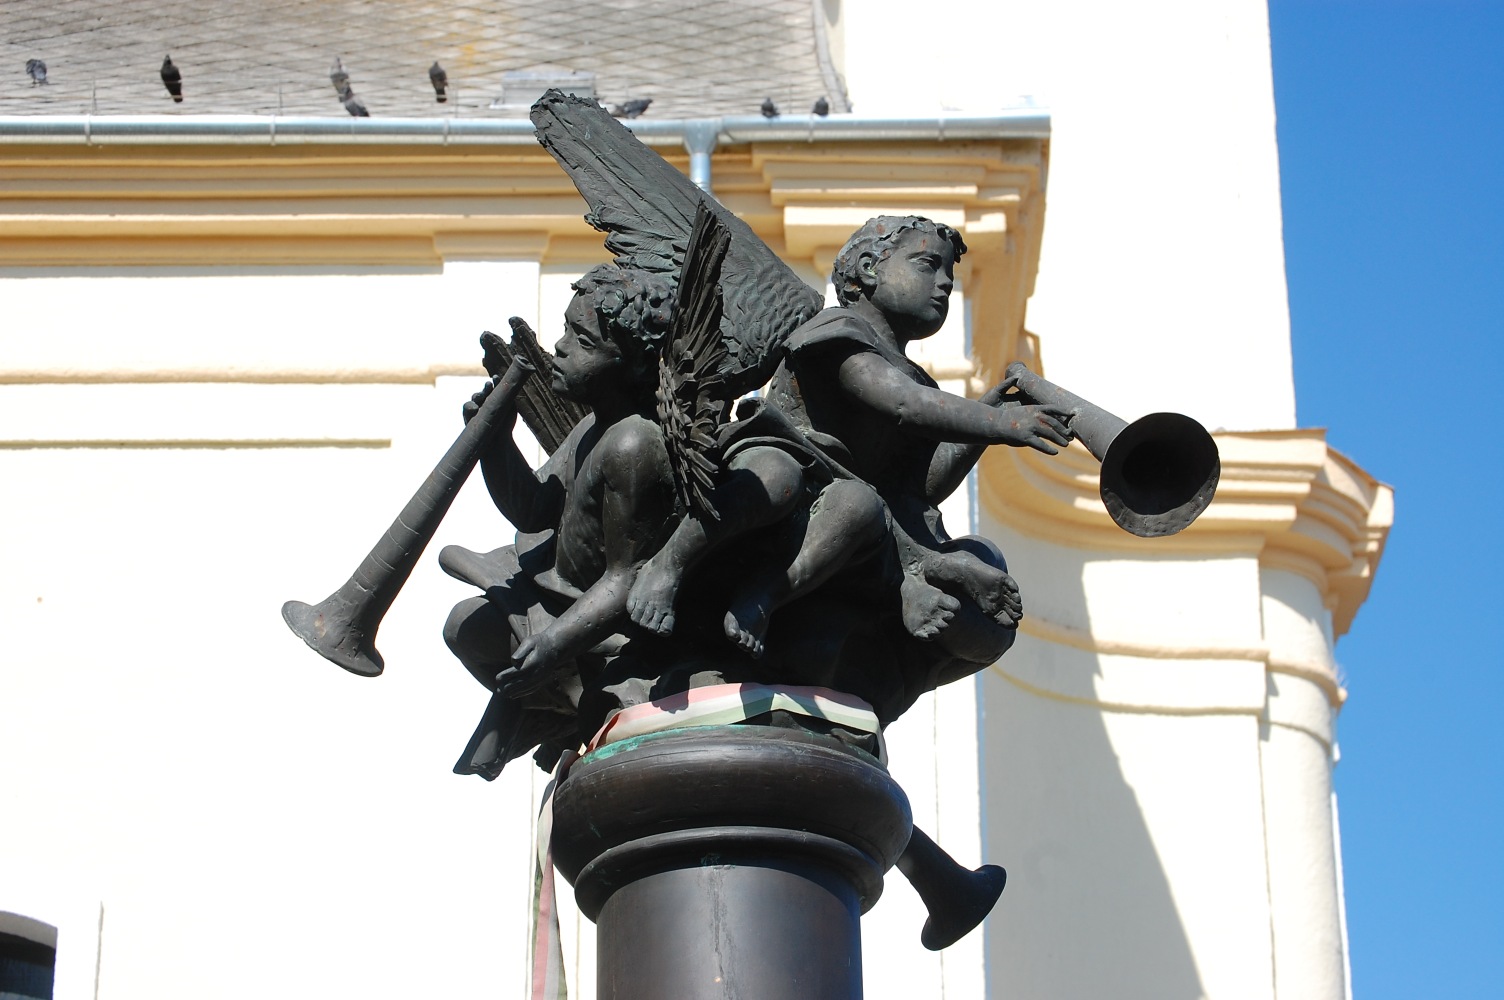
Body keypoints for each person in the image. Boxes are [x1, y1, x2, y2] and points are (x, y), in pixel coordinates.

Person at [626, 215, 1073, 680]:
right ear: (868, 269)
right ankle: (667, 566)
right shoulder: (838, 329)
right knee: (776, 477)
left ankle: (767, 596)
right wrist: (998, 423)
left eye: (949, 273)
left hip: (849, 504)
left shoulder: (920, 381)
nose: (944, 283)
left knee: (865, 508)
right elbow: (900, 402)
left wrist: (986, 418)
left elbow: (921, 486)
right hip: (787, 463)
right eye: (928, 265)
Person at [440, 265, 679, 777]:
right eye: (568, 329)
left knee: (481, 633)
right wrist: (496, 443)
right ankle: (560, 704)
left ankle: (566, 702)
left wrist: (550, 647)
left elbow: (626, 578)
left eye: (583, 340)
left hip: (607, 626)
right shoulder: (594, 425)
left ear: (634, 363)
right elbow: (533, 509)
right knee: (466, 626)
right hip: (557, 597)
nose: (561, 347)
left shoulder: (634, 443)